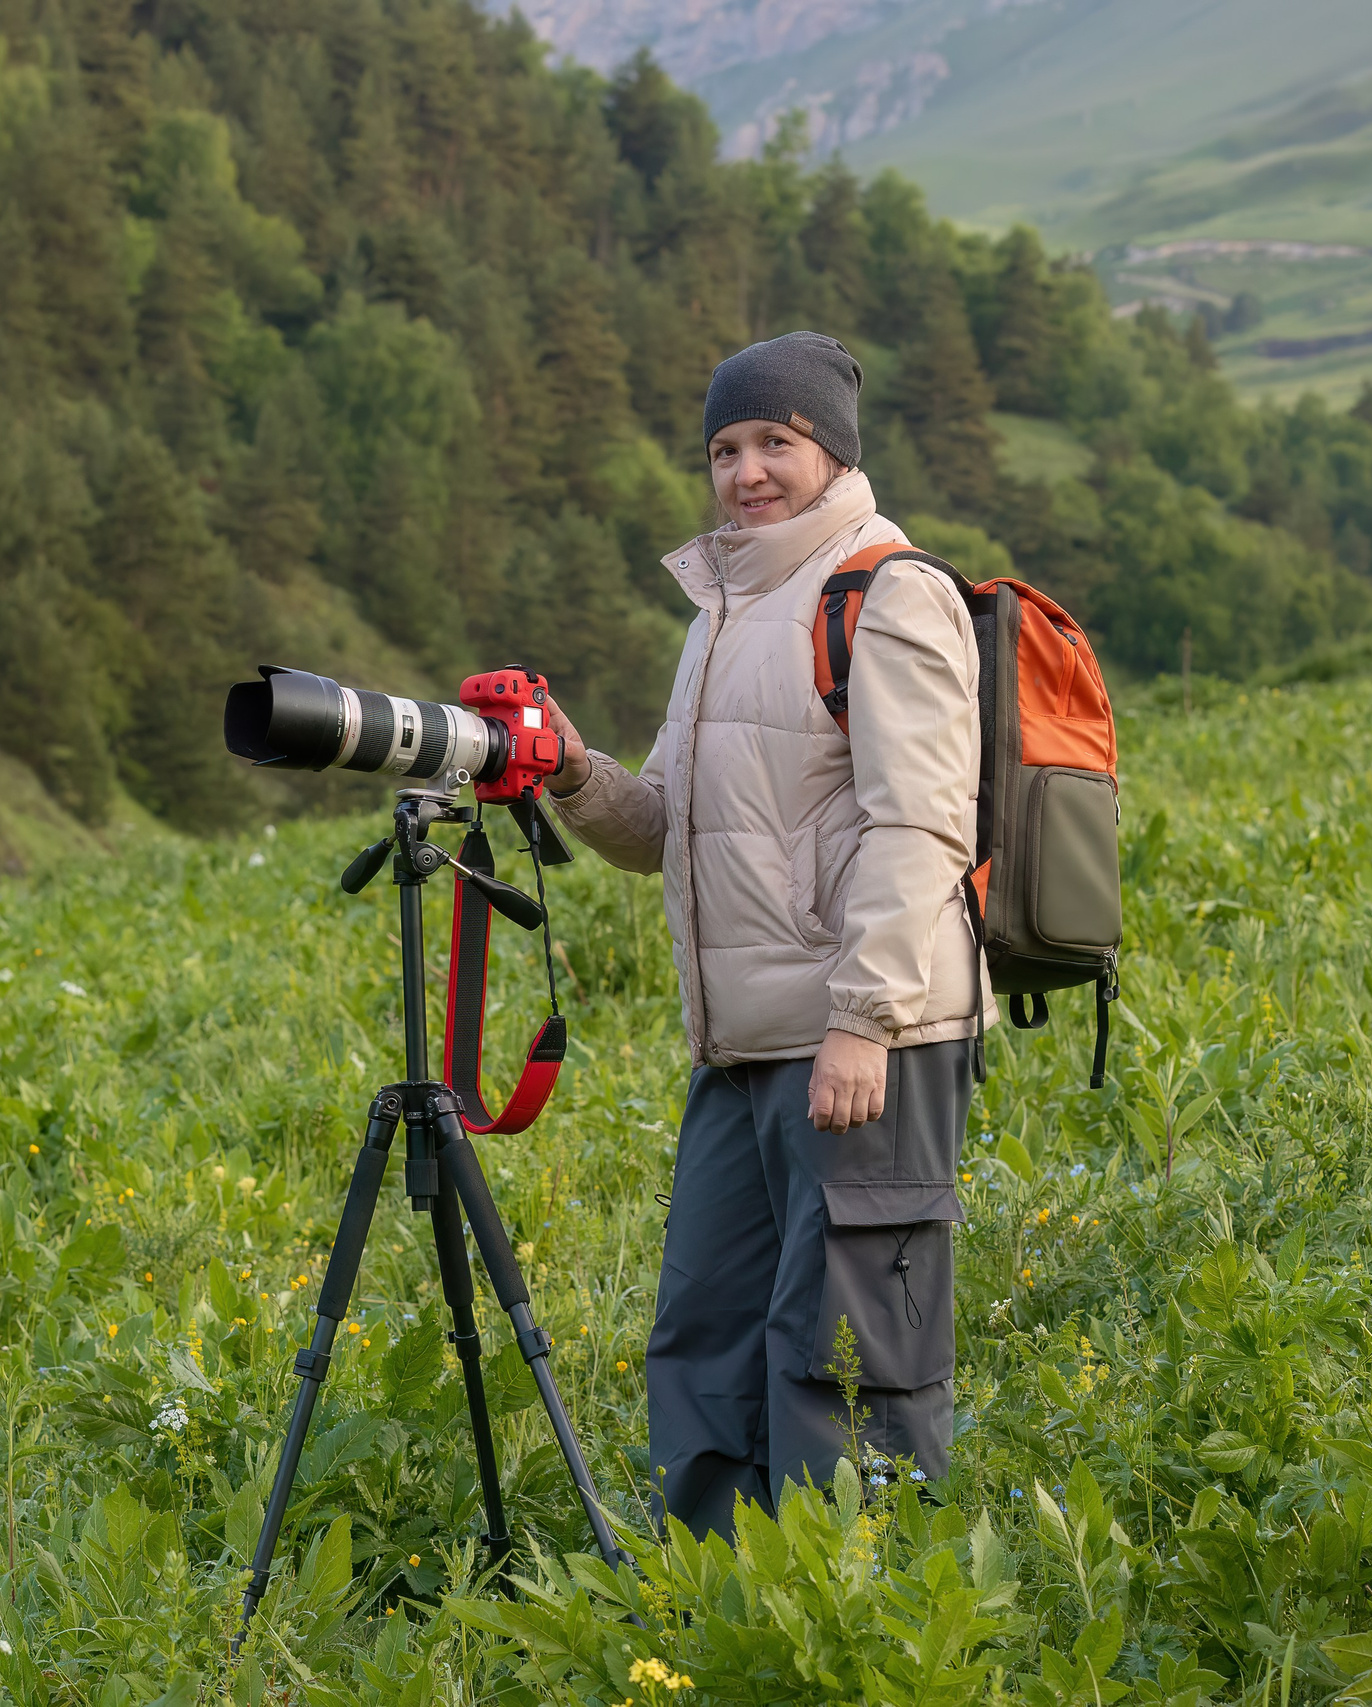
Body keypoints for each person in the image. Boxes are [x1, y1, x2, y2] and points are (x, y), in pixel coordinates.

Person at [541, 331, 985, 1538]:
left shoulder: (888, 596)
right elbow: (665, 831)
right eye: (724, 448)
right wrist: (569, 772)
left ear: (831, 451)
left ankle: (858, 1604)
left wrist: (861, 1022)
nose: (745, 471)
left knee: (843, 1354)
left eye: (773, 443)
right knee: (706, 1334)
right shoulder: (727, 613)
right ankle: (714, 1599)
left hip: (865, 1041)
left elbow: (922, 829)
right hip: (741, 1051)